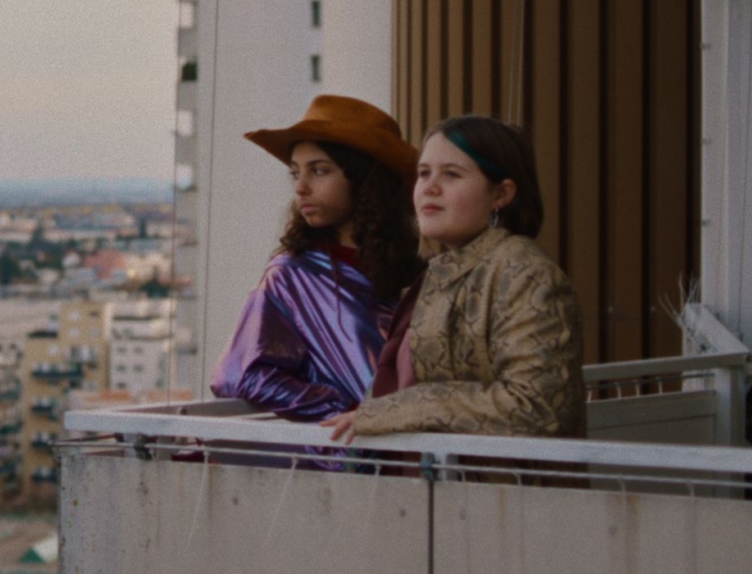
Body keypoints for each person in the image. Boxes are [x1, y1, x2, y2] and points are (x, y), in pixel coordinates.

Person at [322, 114, 587, 443]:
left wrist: (406, 409)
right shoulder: (439, 270)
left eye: (451, 174)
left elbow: (535, 407)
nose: (430, 187)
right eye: (424, 173)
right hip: (434, 486)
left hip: (505, 490)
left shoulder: (525, 274)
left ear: (501, 194)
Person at [210, 95, 423, 421]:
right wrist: (345, 410)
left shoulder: (422, 272)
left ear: (365, 179)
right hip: (344, 459)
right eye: (296, 173)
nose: (301, 188)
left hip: (421, 454)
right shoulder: (291, 275)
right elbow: (241, 374)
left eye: (319, 171)